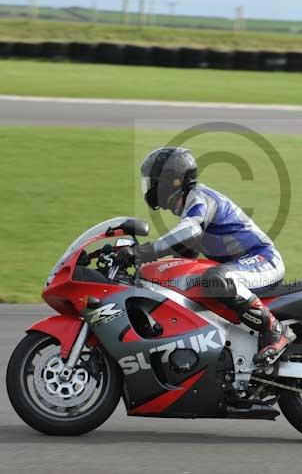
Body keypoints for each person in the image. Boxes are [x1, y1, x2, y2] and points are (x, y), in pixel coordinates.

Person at [116, 147, 292, 365]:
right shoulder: (190, 207)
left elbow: (189, 232)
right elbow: (183, 253)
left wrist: (141, 252)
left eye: (152, 181)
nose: (149, 188)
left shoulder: (200, 198)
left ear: (172, 181)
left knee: (216, 278)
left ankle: (275, 330)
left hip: (263, 260)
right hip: (238, 267)